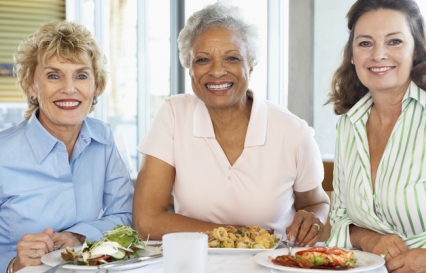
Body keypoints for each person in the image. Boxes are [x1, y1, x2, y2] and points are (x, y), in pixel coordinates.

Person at [133, 1, 329, 246]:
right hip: (194, 263)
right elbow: (146, 221)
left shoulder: (293, 132)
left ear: (251, 65)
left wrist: (315, 220)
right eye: (203, 60)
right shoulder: (174, 114)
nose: (217, 72)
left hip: (270, 263)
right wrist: (241, 237)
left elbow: (316, 203)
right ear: (189, 68)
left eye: (232, 58)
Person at [326, 0, 426, 272]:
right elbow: (340, 217)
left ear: (417, 50)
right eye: (365, 43)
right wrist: (368, 238)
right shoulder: (349, 125)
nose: (378, 55)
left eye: (394, 41)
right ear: (352, 54)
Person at [0, 21, 134, 272]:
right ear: (32, 86)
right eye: (53, 75)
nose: (69, 89)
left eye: (81, 76)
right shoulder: (3, 153)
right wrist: (13, 264)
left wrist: (79, 235)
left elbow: (126, 216)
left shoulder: (102, 138)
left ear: (96, 86)